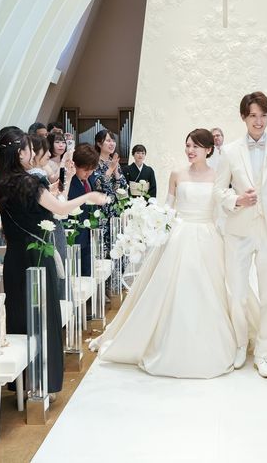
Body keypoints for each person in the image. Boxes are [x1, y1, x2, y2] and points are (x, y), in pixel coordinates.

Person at [90, 129, 235, 379]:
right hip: (180, 235)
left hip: (208, 236)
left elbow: (223, 207)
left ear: (209, 149)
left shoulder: (218, 176)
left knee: (211, 288)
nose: (190, 150)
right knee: (176, 287)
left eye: (196, 146)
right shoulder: (177, 173)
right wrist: (154, 222)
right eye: (187, 145)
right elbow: (169, 206)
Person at [0, 129, 107, 397]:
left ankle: (23, 385)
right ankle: (43, 383)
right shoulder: (30, 183)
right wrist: (88, 197)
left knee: (20, 317)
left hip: (14, 258)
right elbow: (61, 209)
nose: (33, 153)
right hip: (38, 257)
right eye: (30, 149)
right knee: (43, 318)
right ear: (20, 153)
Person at [215, 91, 267, 378]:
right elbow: (218, 191)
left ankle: (263, 352)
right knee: (237, 294)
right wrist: (237, 200)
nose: (259, 121)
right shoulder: (229, 151)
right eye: (253, 115)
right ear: (244, 117)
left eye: (263, 115)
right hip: (238, 231)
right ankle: (241, 345)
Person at [91, 129, 128, 255]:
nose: (112, 144)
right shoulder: (94, 162)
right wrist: (111, 169)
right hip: (101, 208)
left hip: (115, 208)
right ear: (99, 144)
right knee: (102, 248)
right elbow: (97, 184)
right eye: (108, 141)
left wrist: (116, 171)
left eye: (113, 141)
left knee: (116, 245)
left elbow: (123, 188)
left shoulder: (114, 162)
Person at [68, 144, 100, 276]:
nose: (88, 173)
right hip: (75, 238)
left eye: (91, 169)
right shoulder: (69, 182)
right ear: (75, 165)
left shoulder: (90, 179)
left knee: (88, 274)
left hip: (89, 236)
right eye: (85, 170)